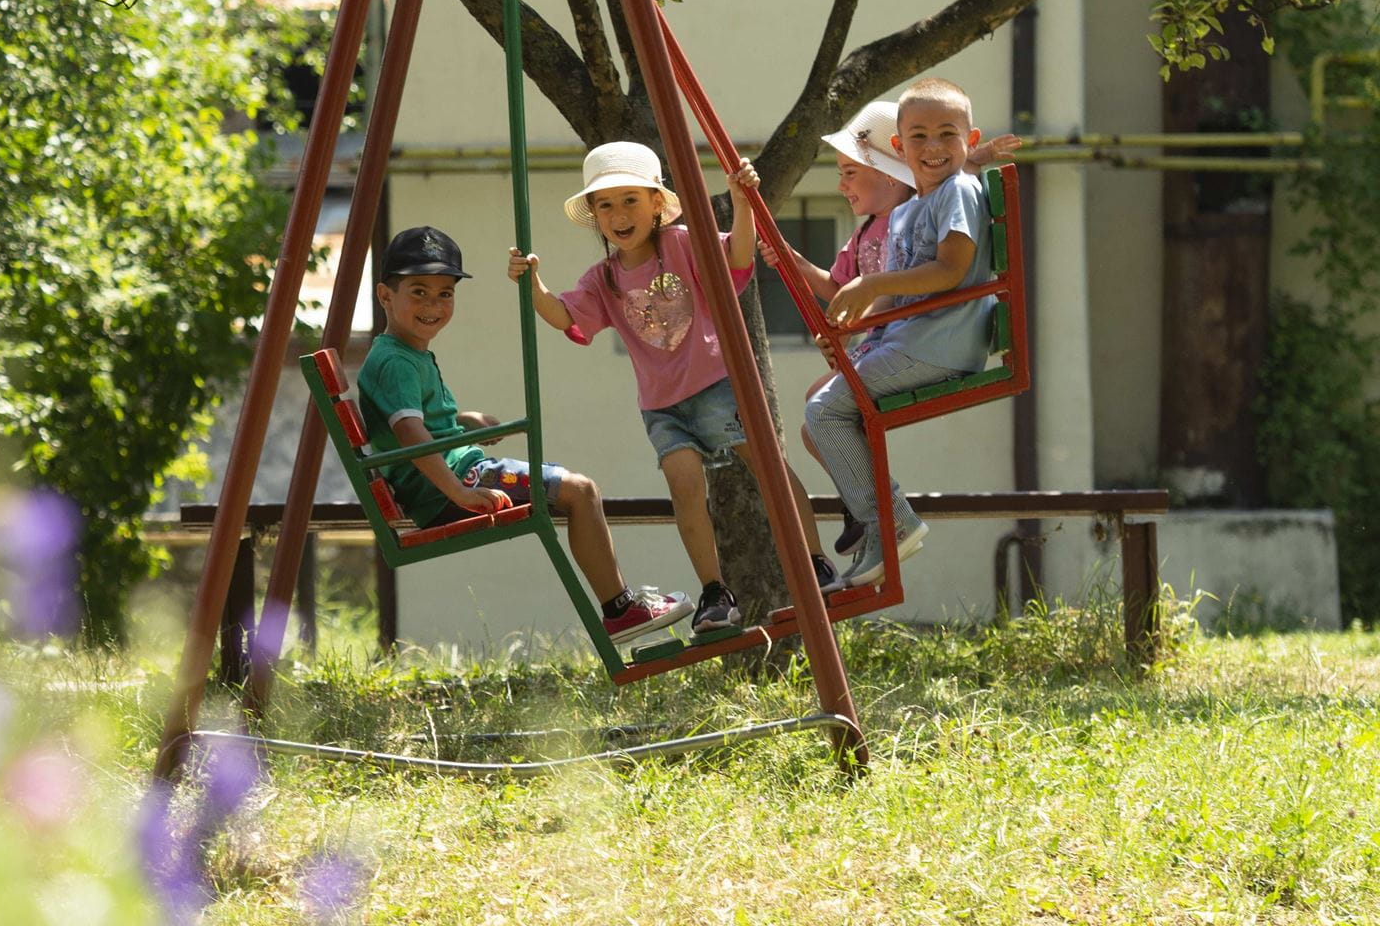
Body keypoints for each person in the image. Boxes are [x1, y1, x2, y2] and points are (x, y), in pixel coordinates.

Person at [510, 141, 824, 635]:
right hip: (662, 407)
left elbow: (737, 259)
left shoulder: (680, 244)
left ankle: (814, 562)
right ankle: (715, 593)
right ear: (594, 215)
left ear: (657, 202)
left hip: (715, 385)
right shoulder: (602, 280)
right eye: (605, 204)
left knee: (768, 468)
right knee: (683, 489)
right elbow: (564, 317)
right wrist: (533, 285)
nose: (618, 214)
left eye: (630, 199)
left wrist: (742, 204)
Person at [359, 224, 691, 647]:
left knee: (573, 489)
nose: (433, 305)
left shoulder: (402, 354)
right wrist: (460, 493)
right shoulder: (397, 362)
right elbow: (410, 434)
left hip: (453, 474)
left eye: (445, 293)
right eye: (418, 292)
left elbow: (415, 422)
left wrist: (463, 423)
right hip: (455, 484)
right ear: (386, 296)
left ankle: (621, 607)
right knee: (579, 490)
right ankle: (620, 611)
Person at [763, 97, 1019, 562]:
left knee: (824, 412)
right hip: (911, 341)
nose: (933, 146)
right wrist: (853, 322)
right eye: (918, 137)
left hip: (935, 346)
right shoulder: (904, 214)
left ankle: (886, 520)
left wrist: (870, 286)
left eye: (947, 134)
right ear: (901, 149)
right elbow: (886, 298)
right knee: (824, 414)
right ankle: (878, 519)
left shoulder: (951, 194)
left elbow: (951, 270)